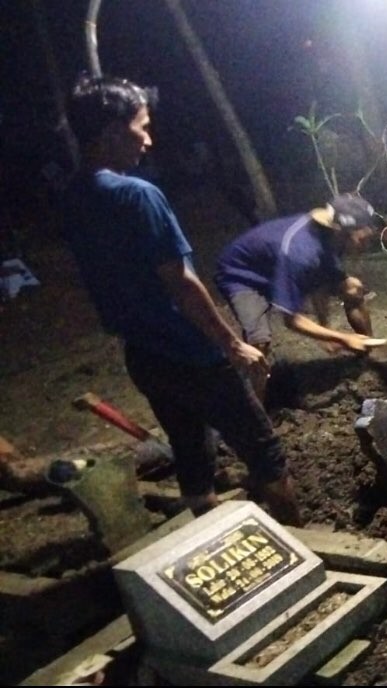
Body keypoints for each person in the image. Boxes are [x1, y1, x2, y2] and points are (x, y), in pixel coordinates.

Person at [61, 75, 302, 525]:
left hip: (144, 357)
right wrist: (232, 344)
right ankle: (310, 552)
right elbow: (182, 282)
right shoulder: (137, 195)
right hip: (191, 353)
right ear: (113, 131)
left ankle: (206, 529)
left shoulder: (73, 196)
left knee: (192, 451)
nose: (148, 140)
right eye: (141, 126)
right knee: (264, 452)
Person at [214, 194, 378, 401]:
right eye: (362, 238)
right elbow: (291, 319)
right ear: (341, 231)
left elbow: (319, 283)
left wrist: (325, 328)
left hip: (276, 265)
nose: (366, 243)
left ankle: (371, 353)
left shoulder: (329, 238)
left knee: (353, 288)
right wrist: (342, 337)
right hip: (242, 275)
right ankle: (256, 417)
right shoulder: (301, 252)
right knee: (258, 343)